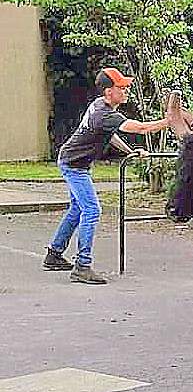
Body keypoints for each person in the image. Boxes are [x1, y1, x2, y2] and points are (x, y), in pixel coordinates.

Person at [42, 67, 169, 284]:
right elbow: (139, 129)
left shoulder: (101, 107)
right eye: (122, 87)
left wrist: (130, 152)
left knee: (77, 209)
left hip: (75, 162)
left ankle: (54, 254)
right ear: (109, 92)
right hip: (73, 165)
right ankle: (82, 266)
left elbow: (109, 136)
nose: (126, 90)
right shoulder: (104, 113)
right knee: (92, 210)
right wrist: (168, 121)